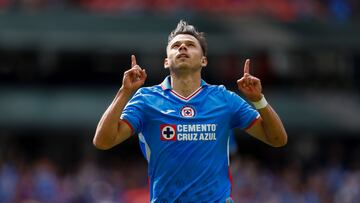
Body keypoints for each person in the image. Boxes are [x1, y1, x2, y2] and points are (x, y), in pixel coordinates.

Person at [93, 20, 287, 202]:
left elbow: (277, 140)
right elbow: (103, 141)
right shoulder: (146, 100)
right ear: (166, 62)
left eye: (190, 45)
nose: (183, 47)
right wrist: (124, 92)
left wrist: (258, 100)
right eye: (176, 46)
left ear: (203, 61)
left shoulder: (224, 99)